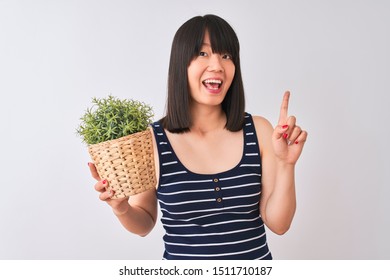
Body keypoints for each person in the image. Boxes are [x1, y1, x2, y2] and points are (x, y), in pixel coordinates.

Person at [88, 14, 307, 260]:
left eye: (227, 55)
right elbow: (145, 223)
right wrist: (121, 208)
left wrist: (286, 164)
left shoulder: (259, 130)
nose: (218, 65)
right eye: (203, 54)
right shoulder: (152, 140)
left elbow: (279, 224)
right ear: (181, 65)